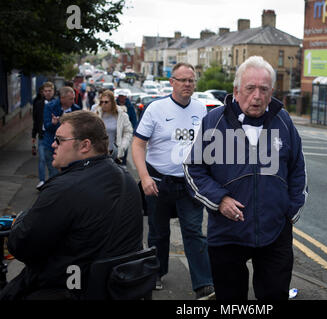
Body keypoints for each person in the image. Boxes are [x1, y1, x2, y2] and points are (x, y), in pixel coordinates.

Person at [183, 56, 308, 300]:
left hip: (275, 232)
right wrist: (220, 200)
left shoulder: (283, 121)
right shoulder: (214, 121)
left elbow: (298, 170)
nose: (257, 96)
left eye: (264, 89)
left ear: (271, 91)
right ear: (237, 91)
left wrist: (290, 213)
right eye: (250, 88)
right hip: (227, 232)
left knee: (274, 296)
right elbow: (193, 169)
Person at [0, 110, 143, 300]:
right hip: (117, 288)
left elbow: (21, 246)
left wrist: (21, 221)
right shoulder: (127, 179)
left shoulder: (63, 188)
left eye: (59, 140)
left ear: (85, 145)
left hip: (68, 289)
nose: (52, 144)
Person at [131, 62, 215, 300]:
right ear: (172, 82)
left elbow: (207, 146)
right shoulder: (156, 109)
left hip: (190, 183)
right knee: (158, 233)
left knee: (193, 232)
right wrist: (144, 178)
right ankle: (156, 272)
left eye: (191, 80)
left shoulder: (201, 109)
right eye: (183, 80)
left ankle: (203, 283)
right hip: (158, 181)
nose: (188, 84)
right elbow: (138, 144)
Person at [42, 86, 81, 178]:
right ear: (62, 98)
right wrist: (53, 123)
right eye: (71, 99)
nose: (73, 101)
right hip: (51, 146)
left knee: (68, 174)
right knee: (54, 174)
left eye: (74, 98)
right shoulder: (50, 107)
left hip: (69, 147)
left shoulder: (76, 109)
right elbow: (46, 126)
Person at [94, 90, 133, 165]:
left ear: (112, 102)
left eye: (106, 102)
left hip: (114, 154)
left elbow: (128, 132)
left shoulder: (122, 115)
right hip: (98, 154)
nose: (103, 104)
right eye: (101, 102)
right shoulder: (96, 114)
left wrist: (122, 146)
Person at [32, 82, 56, 189]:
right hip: (42, 135)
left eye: (49, 91)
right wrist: (33, 136)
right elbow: (35, 121)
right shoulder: (38, 104)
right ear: (43, 92)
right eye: (45, 91)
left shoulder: (57, 104)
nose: (47, 93)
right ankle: (42, 181)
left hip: (53, 135)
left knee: (52, 159)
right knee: (42, 159)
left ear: (53, 91)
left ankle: (52, 181)